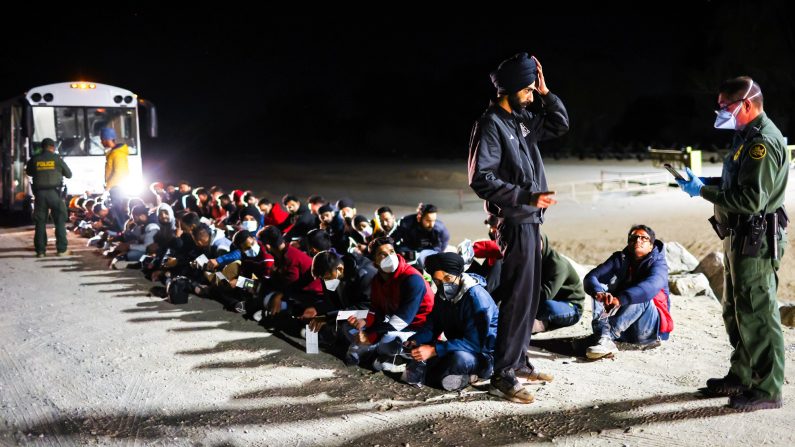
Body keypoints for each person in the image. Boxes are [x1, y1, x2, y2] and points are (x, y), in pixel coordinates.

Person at [677, 76, 788, 411]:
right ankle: (742, 376)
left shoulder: (762, 143)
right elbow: (736, 182)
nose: (720, 112)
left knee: (757, 311)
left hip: (756, 239)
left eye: (726, 107)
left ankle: (768, 388)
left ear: (748, 105)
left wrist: (704, 192)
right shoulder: (746, 137)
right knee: (736, 310)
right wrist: (704, 183)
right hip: (738, 236)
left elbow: (752, 199)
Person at [467, 52, 569, 403]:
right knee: (515, 298)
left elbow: (559, 125)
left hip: (531, 221)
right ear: (508, 89)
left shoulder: (520, 120)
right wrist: (527, 196)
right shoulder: (490, 124)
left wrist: (545, 91)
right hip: (513, 221)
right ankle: (503, 374)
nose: (530, 95)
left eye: (531, 89)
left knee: (529, 297)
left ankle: (520, 362)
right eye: (526, 89)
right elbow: (481, 178)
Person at [403, 253, 499, 391]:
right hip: (456, 346)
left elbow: (475, 343)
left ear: (459, 274)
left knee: (458, 359)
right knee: (420, 353)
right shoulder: (442, 297)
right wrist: (416, 340)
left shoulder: (477, 298)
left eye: (448, 278)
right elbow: (433, 324)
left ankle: (469, 375)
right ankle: (451, 375)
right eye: (437, 281)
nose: (443, 285)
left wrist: (435, 350)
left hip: (483, 354)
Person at [583, 225, 673, 360]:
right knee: (600, 287)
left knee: (643, 295)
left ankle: (607, 336)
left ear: (651, 246)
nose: (638, 240)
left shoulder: (658, 264)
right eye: (634, 237)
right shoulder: (620, 259)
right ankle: (602, 334)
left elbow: (650, 287)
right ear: (628, 243)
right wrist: (599, 294)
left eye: (644, 238)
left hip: (648, 331)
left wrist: (619, 300)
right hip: (625, 328)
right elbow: (591, 277)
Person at [25, 138, 73, 257]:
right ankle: (61, 250)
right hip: (54, 194)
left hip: (39, 194)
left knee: (40, 222)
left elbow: (29, 172)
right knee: (60, 221)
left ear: (42, 147)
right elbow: (69, 174)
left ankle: (40, 251)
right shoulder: (57, 159)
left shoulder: (35, 159)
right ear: (52, 147)